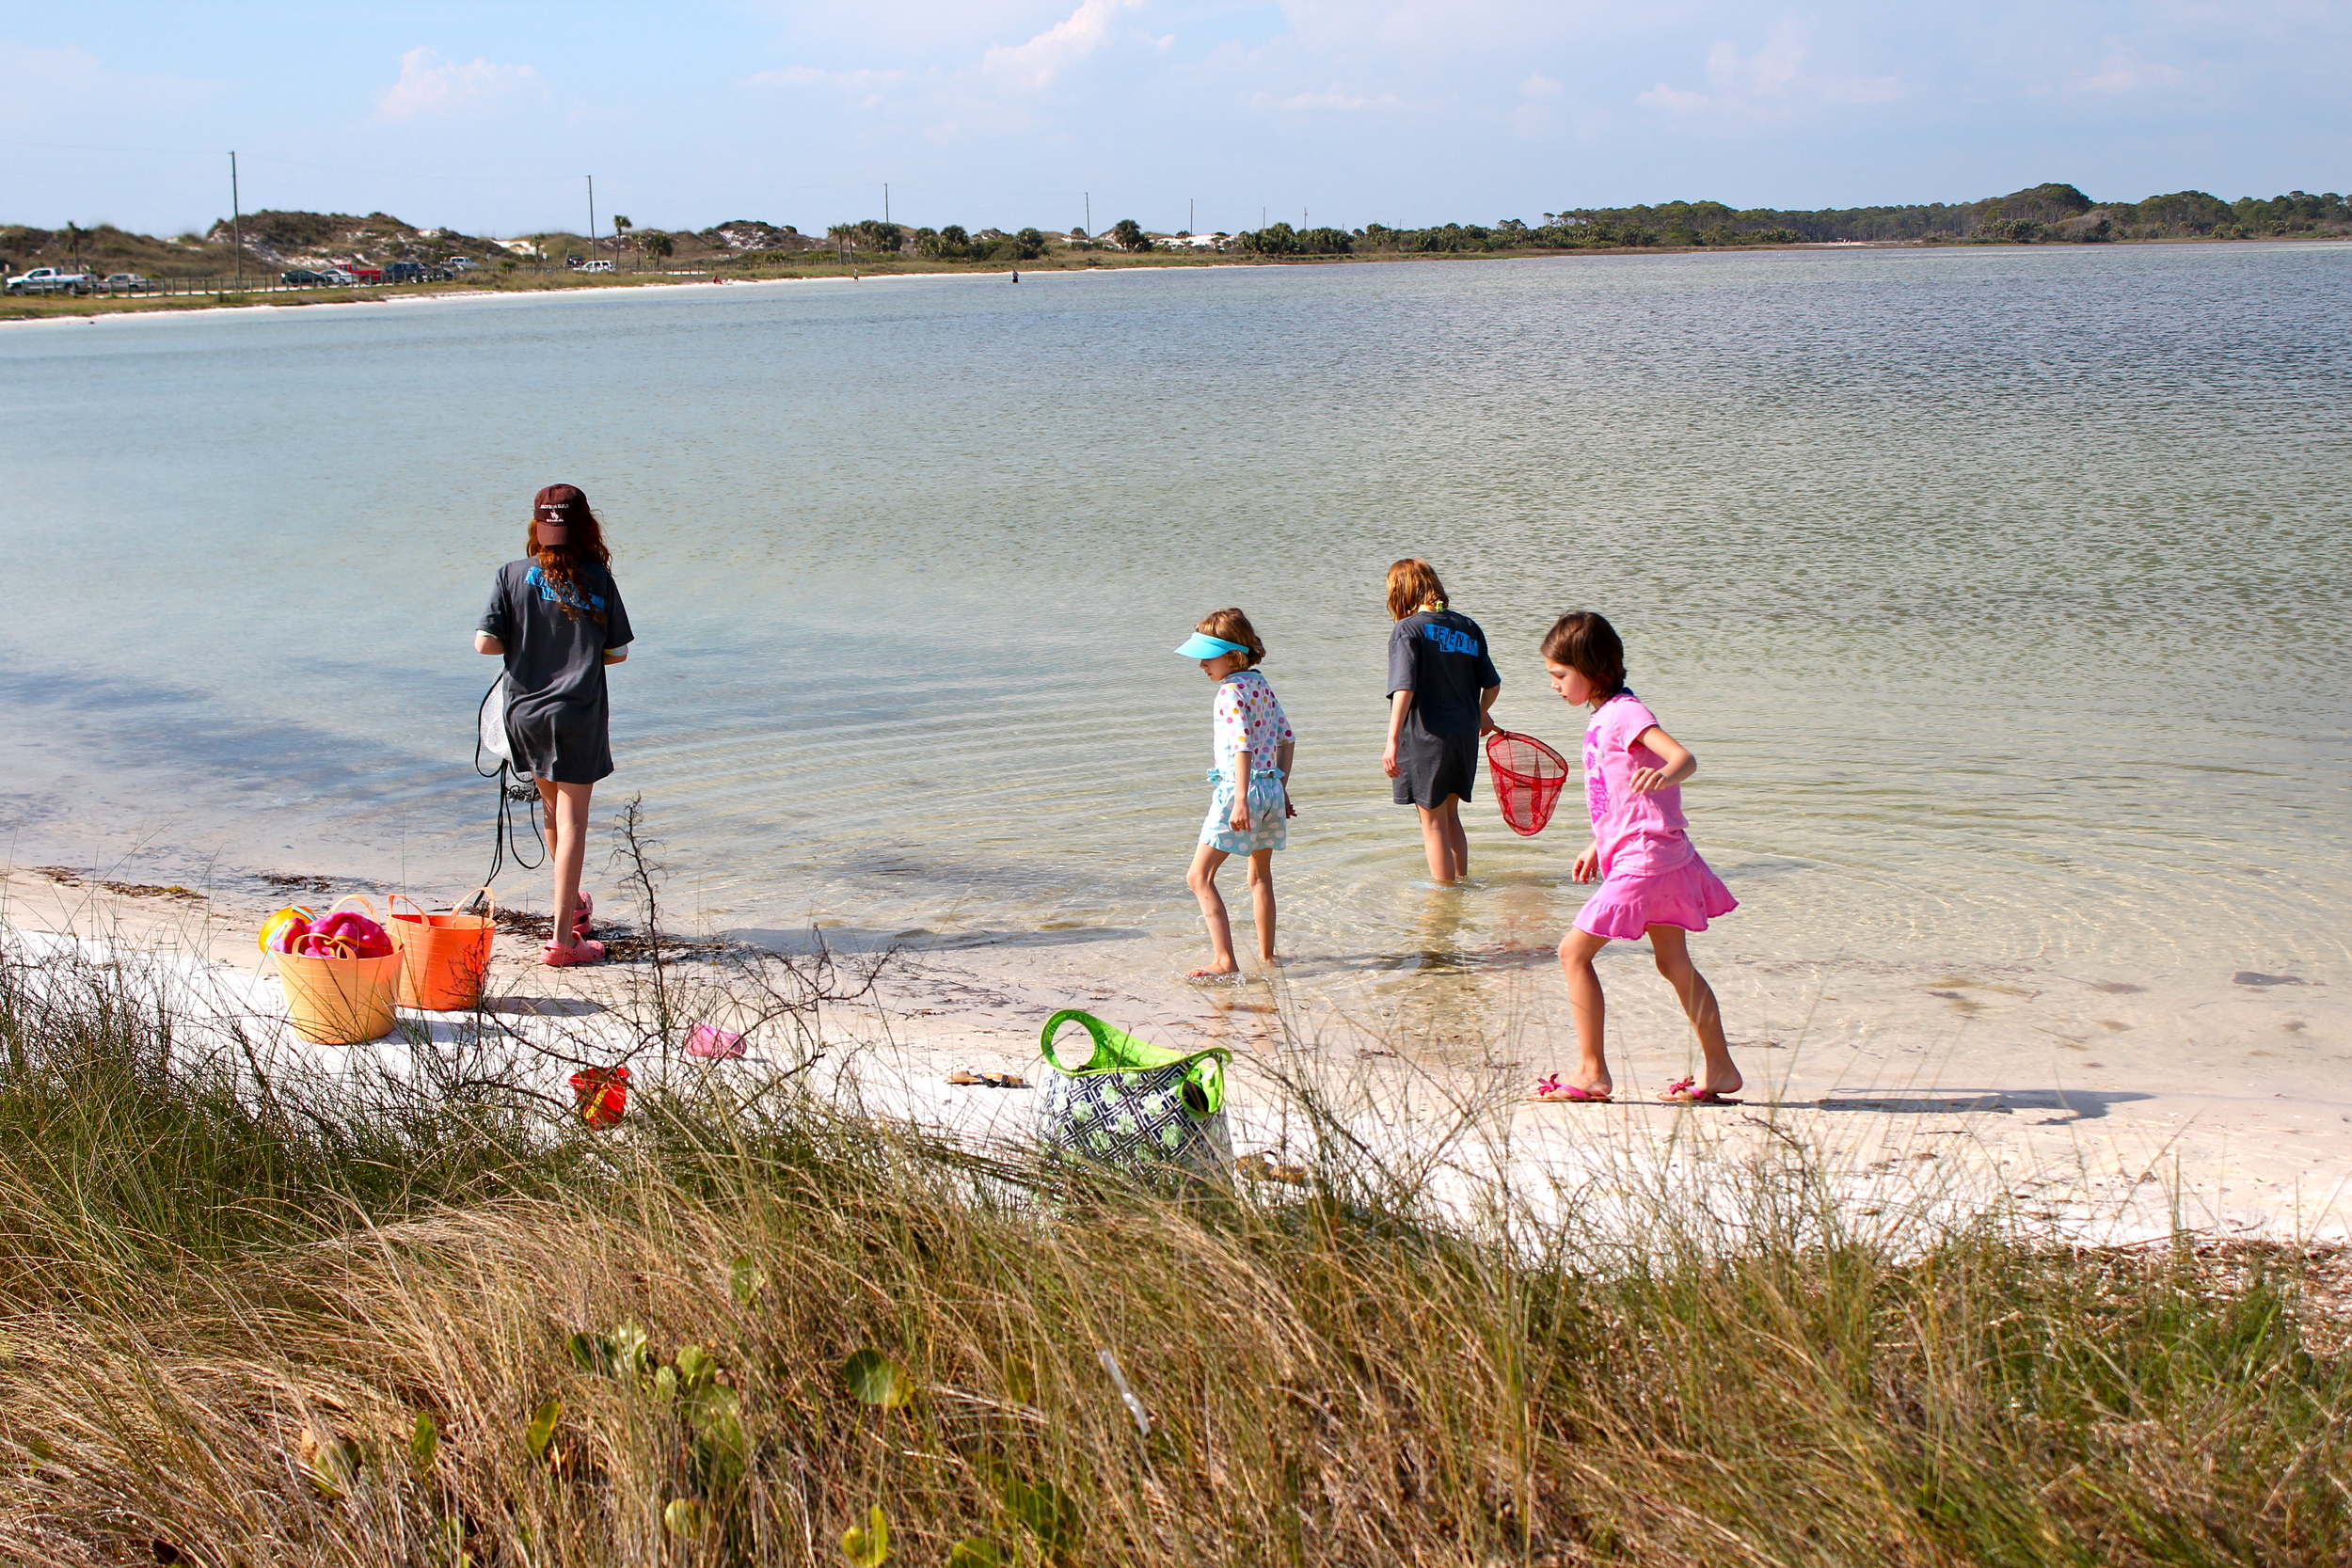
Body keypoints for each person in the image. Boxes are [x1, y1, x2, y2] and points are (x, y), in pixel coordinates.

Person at [1534, 611, 1740, 1104]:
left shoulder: (1625, 712)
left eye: (1560, 675)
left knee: (1572, 953)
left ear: (1593, 669)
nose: (1555, 686)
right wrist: (1597, 844)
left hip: (1646, 860)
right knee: (1673, 964)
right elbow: (1620, 798)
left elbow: (1682, 757)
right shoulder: (1603, 716)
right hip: (1656, 853)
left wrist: (1669, 773)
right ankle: (1721, 1070)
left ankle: (1591, 1074)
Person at [474, 483, 634, 966]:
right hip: (579, 714)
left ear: (538, 527)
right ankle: (564, 941)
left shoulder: (511, 574)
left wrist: (528, 641)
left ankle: (570, 904)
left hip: (525, 714)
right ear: (586, 527)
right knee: (574, 821)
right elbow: (618, 652)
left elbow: (485, 644)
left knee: (552, 815)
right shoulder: (596, 578)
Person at [1177, 610, 1295, 978]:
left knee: (1199, 877)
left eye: (1207, 657)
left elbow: (1242, 747)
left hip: (1239, 791)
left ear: (1231, 655)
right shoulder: (1260, 686)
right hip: (1271, 788)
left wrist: (1241, 798)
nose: (1200, 665)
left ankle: (1225, 961)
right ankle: (1268, 958)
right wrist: (1281, 789)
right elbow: (1287, 739)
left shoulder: (1229, 692)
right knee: (1259, 876)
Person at [1381, 559, 1500, 886]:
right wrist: (1481, 711)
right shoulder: (1468, 627)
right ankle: (1461, 880)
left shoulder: (1407, 629)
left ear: (1401, 592)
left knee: (1431, 823)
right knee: (1450, 817)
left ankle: (1446, 899)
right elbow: (1492, 685)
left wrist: (1391, 740)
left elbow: (1404, 687)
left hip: (1426, 738)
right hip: (1463, 737)